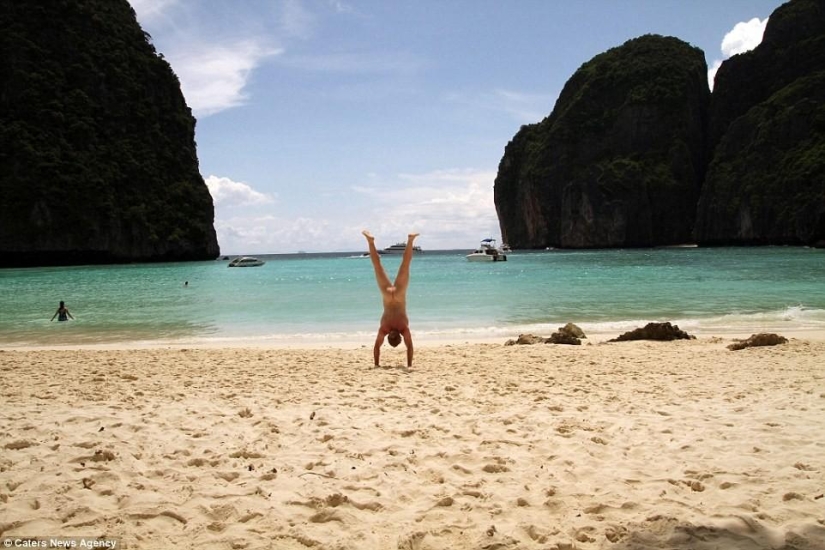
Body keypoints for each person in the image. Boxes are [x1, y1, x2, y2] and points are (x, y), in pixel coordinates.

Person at [362, 230, 419, 367]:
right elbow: (376, 348)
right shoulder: (384, 329)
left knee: (405, 264)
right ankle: (370, 242)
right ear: (389, 337)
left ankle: (410, 240)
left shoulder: (403, 328)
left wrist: (409, 365)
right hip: (388, 295)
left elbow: (410, 347)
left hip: (399, 294)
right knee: (377, 266)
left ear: (399, 337)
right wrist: (376, 364)